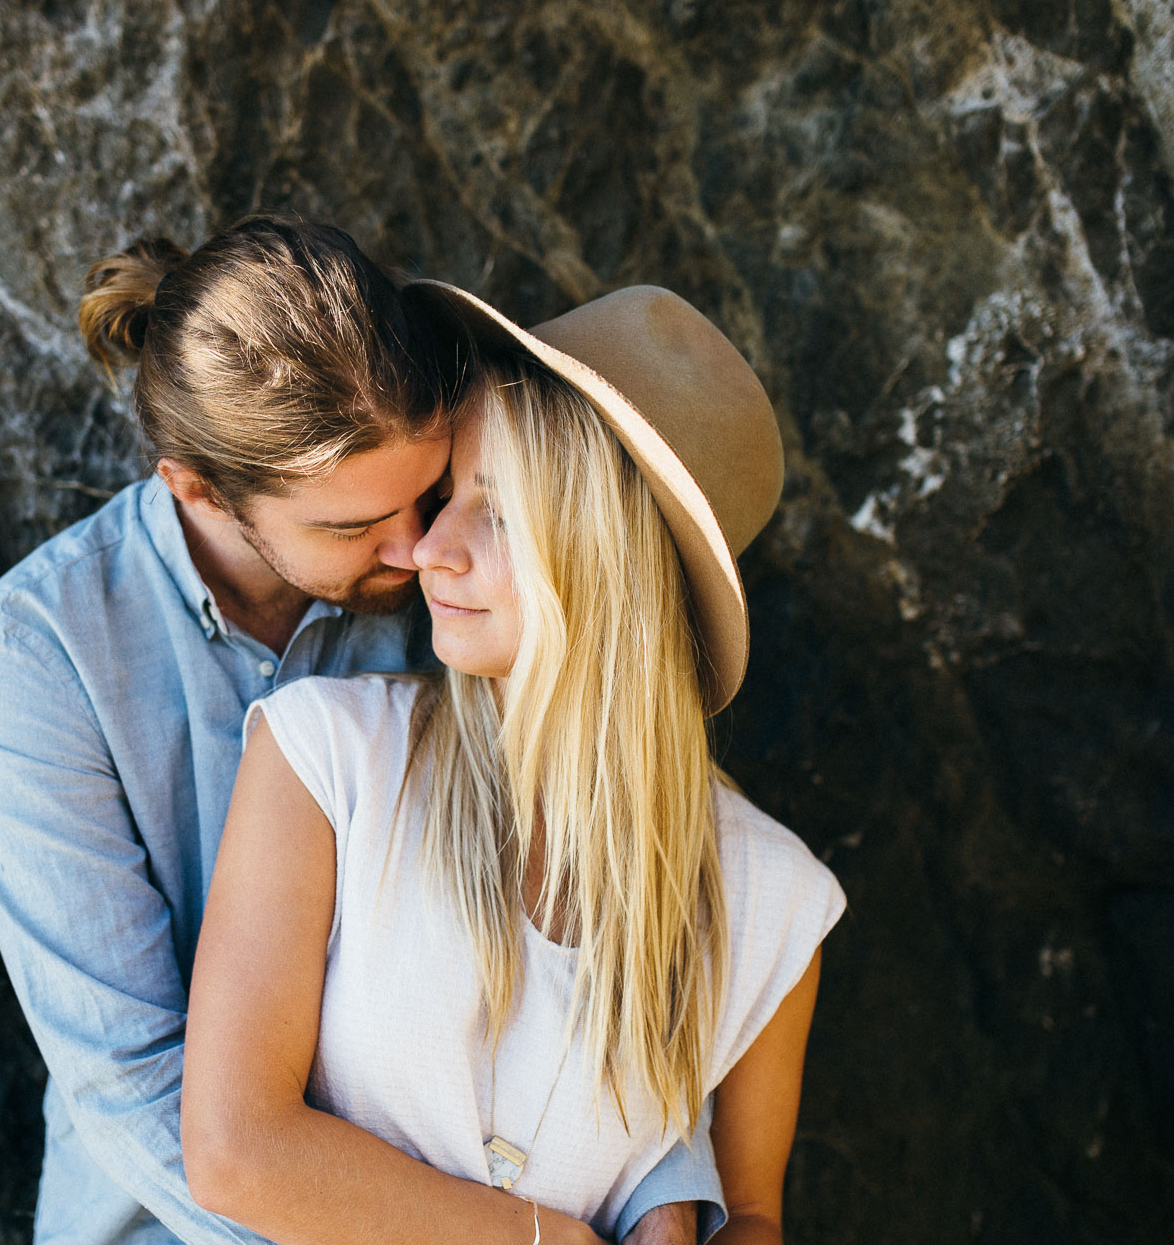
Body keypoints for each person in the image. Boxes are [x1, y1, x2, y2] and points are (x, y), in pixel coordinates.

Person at [0, 216, 722, 1245]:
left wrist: (659, 1186)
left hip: (502, 1188)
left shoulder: (458, 578)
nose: (415, 550)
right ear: (199, 486)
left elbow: (584, 904)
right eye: (353, 526)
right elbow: (133, 1079)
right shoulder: (32, 659)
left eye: (426, 490)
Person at [181, 282, 846, 1244]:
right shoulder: (326, 758)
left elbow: (747, 1215)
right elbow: (235, 1149)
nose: (428, 550)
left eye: (495, 513)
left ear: (608, 566)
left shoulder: (773, 899)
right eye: (449, 496)